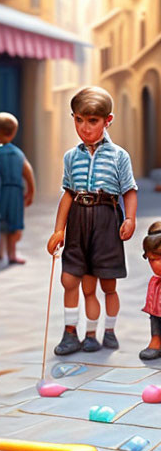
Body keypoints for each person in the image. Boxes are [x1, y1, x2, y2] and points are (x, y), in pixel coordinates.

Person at [47, 86, 138, 355]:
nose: (85, 128)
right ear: (73, 117)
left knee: (105, 282)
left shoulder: (119, 156)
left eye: (93, 121)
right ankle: (71, 332)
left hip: (106, 219)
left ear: (108, 120)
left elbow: (129, 190)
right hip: (78, 219)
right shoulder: (71, 156)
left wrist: (130, 218)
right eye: (79, 120)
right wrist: (58, 229)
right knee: (70, 279)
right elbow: (68, 193)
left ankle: (103, 331)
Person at [0, 113, 35, 264]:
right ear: (14, 131)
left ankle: (0, 251)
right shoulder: (19, 154)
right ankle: (12, 254)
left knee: (2, 221)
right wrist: (31, 191)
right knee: (15, 222)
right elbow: (28, 173)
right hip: (17, 192)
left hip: (3, 192)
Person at [139, 222, 161, 361]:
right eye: (151, 260)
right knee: (155, 314)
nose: (154, 264)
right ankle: (156, 340)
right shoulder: (156, 283)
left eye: (157, 259)